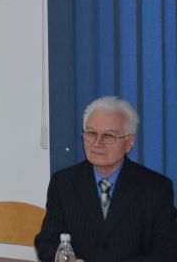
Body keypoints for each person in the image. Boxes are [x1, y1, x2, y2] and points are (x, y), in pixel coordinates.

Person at [35, 96, 177, 262]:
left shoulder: (156, 187)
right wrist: (60, 259)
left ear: (129, 142)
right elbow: (46, 241)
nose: (97, 143)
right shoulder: (62, 182)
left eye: (109, 136)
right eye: (91, 133)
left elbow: (168, 250)